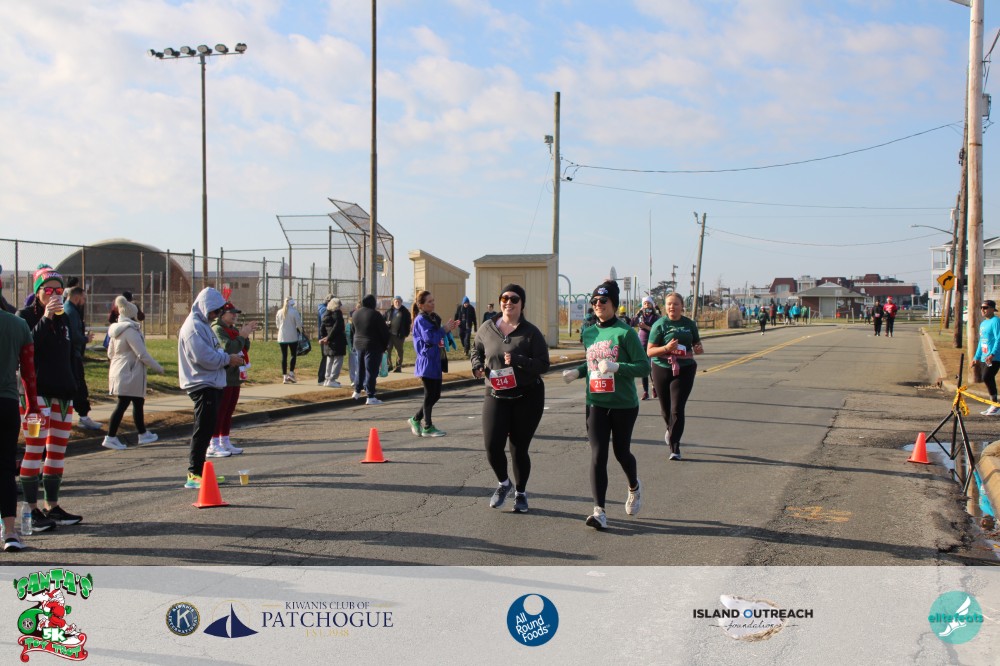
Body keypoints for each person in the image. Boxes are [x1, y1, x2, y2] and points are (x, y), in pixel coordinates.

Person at [563, 280, 649, 529]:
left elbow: (643, 366)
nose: (598, 305)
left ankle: (634, 486)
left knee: (621, 453)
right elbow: (591, 364)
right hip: (596, 402)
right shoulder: (589, 333)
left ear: (613, 303)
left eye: (603, 301)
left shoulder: (626, 333)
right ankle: (599, 511)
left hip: (623, 404)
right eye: (594, 301)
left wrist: (617, 367)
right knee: (598, 455)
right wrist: (577, 372)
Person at [471, 284, 549, 513]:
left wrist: (519, 360)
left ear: (522, 304)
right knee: (492, 446)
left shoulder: (531, 332)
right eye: (505, 298)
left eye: (514, 299)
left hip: (527, 396)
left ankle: (521, 493)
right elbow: (476, 350)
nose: (508, 302)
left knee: (518, 448)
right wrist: (477, 365)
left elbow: (543, 365)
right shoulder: (487, 328)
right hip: (495, 394)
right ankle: (504, 483)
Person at [17, 265, 82, 531]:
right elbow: (27, 346)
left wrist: (77, 387)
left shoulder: (64, 318)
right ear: (38, 292)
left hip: (62, 394)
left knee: (56, 453)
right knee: (34, 449)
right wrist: (45, 318)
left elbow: (69, 354)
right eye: (48, 290)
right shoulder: (25, 316)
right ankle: (31, 510)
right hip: (35, 396)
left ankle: (52, 506)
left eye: (58, 290)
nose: (54, 295)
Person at [178, 288, 244, 489]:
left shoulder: (203, 325)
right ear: (206, 307)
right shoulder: (194, 327)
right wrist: (227, 359)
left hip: (211, 381)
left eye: (219, 311)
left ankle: (202, 473)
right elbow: (204, 357)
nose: (216, 315)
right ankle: (194, 474)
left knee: (207, 430)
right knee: (202, 430)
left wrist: (226, 358)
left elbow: (214, 350)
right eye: (215, 311)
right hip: (201, 383)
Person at [1, 274, 39, 551]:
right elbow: (28, 373)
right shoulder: (18, 325)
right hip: (6, 404)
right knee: (4, 468)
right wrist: (32, 406)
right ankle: (10, 532)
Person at [647, 292, 705, 461]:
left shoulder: (689, 324)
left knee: (677, 408)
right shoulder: (660, 325)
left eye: (676, 304)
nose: (672, 307)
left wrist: (699, 348)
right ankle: (670, 429)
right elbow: (650, 351)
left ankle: (675, 447)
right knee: (666, 410)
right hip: (662, 367)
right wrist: (666, 348)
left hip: (685, 368)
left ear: (682, 306)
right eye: (669, 304)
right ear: (665, 307)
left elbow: (696, 344)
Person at [103, 295, 165, 450]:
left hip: (120, 370)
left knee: (137, 401)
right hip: (129, 372)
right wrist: (158, 367)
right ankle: (110, 437)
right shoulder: (130, 330)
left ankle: (142, 433)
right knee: (123, 404)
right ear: (132, 314)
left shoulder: (116, 330)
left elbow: (110, 353)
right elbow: (142, 354)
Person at [408, 291, 459, 438]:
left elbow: (439, 334)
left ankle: (415, 419)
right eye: (429, 301)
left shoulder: (432, 318)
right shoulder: (421, 320)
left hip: (436, 360)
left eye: (433, 300)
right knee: (429, 394)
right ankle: (428, 426)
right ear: (421, 305)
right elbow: (430, 338)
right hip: (427, 361)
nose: (433, 303)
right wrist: (444, 329)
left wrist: (448, 329)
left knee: (436, 395)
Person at [210, 302, 258, 457]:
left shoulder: (233, 329)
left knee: (229, 410)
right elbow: (229, 348)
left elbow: (243, 348)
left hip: (234, 374)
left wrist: (245, 335)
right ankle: (213, 442)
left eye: (235, 313)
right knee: (221, 410)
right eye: (231, 312)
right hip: (224, 375)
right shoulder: (218, 329)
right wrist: (242, 336)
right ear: (222, 314)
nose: (234, 315)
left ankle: (225, 440)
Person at [62, 285, 103, 431]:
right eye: (83, 298)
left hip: (71, 354)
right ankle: (83, 418)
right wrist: (85, 339)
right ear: (77, 297)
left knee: (76, 387)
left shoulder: (68, 309)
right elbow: (73, 335)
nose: (84, 301)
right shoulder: (71, 311)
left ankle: (80, 416)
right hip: (73, 355)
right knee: (79, 387)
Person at [351, 294, 390, 405]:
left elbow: (354, 330)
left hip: (358, 344)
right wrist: (384, 346)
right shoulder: (375, 314)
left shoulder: (355, 314)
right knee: (371, 371)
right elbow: (384, 332)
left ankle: (357, 391)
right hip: (373, 345)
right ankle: (370, 396)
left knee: (360, 368)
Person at [974, 300, 1000, 416]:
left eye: (985, 307)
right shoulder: (983, 323)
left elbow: (999, 339)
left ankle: (995, 405)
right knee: (987, 378)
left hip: (995, 357)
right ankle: (993, 404)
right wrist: (976, 357)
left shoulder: (996, 321)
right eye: (981, 307)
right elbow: (981, 341)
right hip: (985, 357)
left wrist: (992, 354)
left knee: (987, 377)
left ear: (992, 309)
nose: (982, 310)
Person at [634, 296, 660, 400]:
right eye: (644, 304)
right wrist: (637, 314)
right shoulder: (641, 316)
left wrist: (646, 327)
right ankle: (645, 392)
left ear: (652, 305)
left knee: (652, 369)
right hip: (642, 345)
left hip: (653, 345)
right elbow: (632, 323)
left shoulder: (656, 317)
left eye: (648, 303)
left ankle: (654, 387)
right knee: (644, 369)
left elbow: (657, 330)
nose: (646, 305)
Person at [319, 297, 347, 388]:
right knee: (338, 360)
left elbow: (322, 328)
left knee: (329, 359)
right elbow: (338, 327)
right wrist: (329, 338)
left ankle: (327, 379)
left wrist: (324, 338)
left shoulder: (326, 314)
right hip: (337, 341)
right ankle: (332, 379)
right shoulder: (337, 313)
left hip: (328, 342)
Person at [275, 297, 303, 384]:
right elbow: (299, 324)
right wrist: (301, 331)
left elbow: (277, 325)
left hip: (282, 336)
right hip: (292, 336)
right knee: (293, 355)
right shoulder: (294, 311)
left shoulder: (279, 312)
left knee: (284, 356)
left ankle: (284, 376)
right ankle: (291, 373)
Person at [385, 295, 412, 373]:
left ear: (401, 302)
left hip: (399, 335)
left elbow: (408, 323)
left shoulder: (405, 312)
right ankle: (389, 365)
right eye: (396, 301)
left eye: (399, 301)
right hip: (389, 334)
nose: (397, 303)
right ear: (393, 302)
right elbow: (384, 319)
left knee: (399, 351)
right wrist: (386, 323)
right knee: (387, 350)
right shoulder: (389, 311)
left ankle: (398, 367)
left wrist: (406, 333)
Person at [316, 294, 332, 384]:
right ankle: (321, 378)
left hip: (325, 336)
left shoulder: (324, 309)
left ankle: (326, 378)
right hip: (324, 337)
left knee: (328, 357)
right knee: (325, 357)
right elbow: (325, 319)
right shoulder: (323, 309)